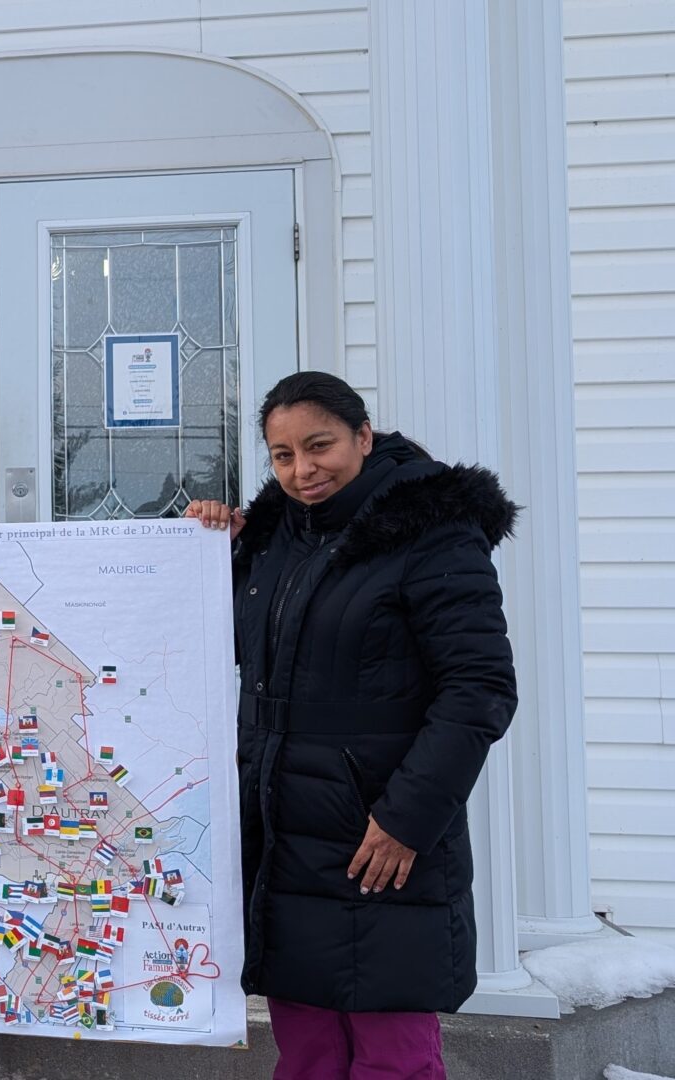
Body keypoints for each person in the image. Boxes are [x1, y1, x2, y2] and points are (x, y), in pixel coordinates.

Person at [187, 371, 519, 1080]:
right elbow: (222, 653)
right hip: (283, 837)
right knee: (307, 1054)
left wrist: (407, 818)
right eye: (282, 455)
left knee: (392, 1058)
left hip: (378, 842)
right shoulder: (276, 541)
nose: (302, 471)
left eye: (319, 446)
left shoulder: (431, 533)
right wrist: (217, 552)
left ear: (363, 437)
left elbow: (480, 688)